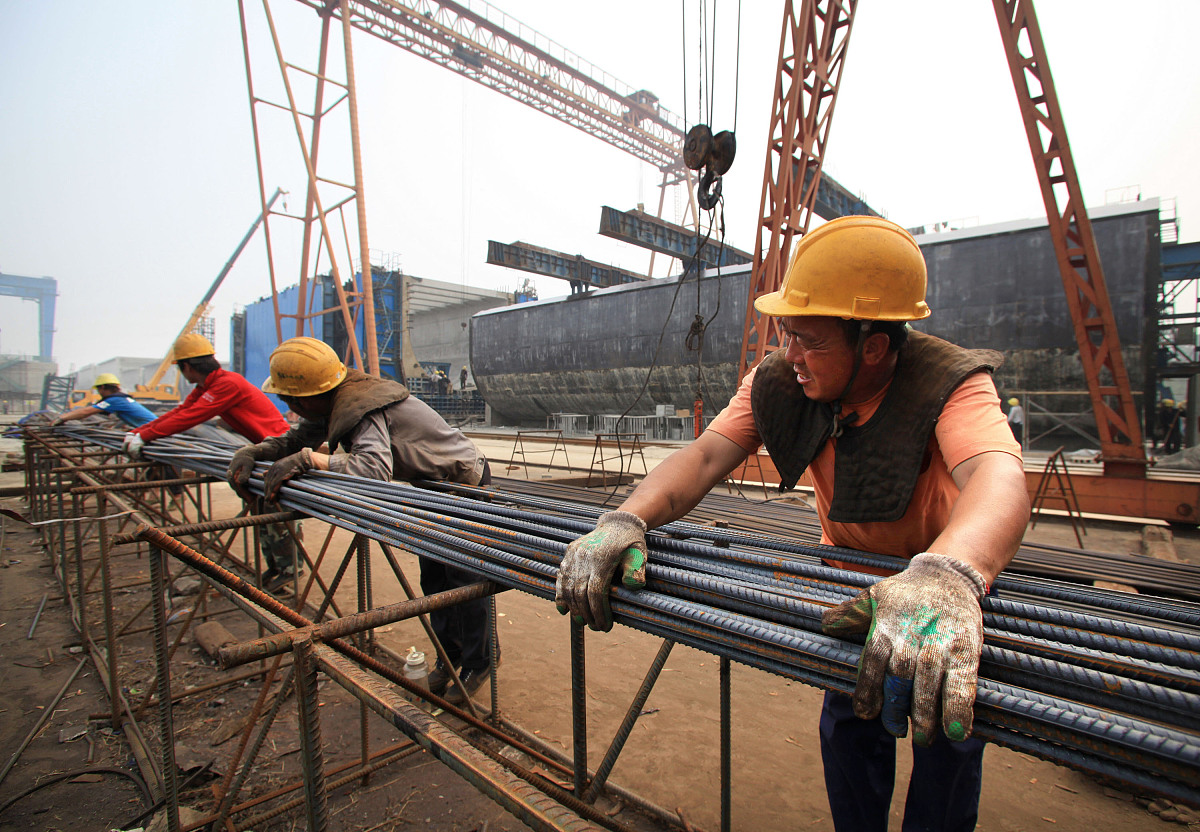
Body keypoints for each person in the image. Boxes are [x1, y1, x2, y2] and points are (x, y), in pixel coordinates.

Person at [555, 216, 1029, 832]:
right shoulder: (780, 380)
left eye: (811, 341)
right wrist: (623, 519)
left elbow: (999, 477)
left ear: (875, 346)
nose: (793, 356)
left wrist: (947, 574)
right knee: (851, 721)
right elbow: (702, 458)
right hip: (851, 583)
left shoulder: (950, 384)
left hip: (940, 583)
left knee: (944, 733)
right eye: (788, 335)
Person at [225, 336, 496, 705]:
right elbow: (297, 437)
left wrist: (311, 460)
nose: (288, 407)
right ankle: (450, 657)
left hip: (463, 484)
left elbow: (372, 470)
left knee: (464, 578)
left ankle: (479, 662)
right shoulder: (335, 400)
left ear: (306, 397)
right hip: (429, 488)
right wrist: (256, 451)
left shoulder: (361, 407)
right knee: (435, 580)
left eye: (289, 401)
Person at [125, 333, 298, 591]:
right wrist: (141, 432)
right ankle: (276, 566)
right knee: (261, 509)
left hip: (278, 450)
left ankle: (289, 569)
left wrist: (146, 435)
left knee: (273, 510)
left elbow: (191, 417)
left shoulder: (227, 384)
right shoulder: (207, 387)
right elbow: (180, 412)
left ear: (187, 367)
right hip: (262, 451)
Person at [51, 374, 156, 428]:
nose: (99, 392)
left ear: (102, 387)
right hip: (152, 427)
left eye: (98, 389)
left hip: (153, 430)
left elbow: (86, 412)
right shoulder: (121, 399)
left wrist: (62, 418)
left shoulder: (115, 400)